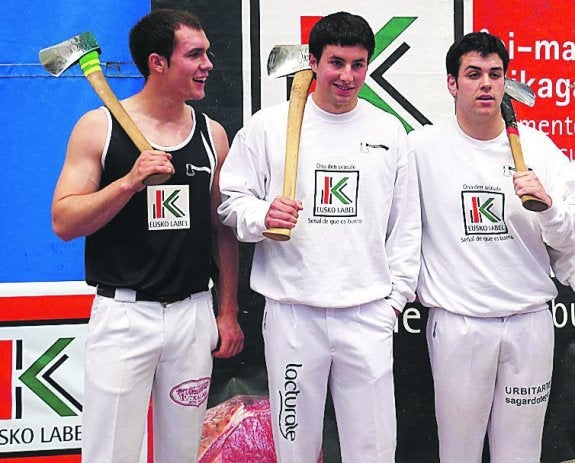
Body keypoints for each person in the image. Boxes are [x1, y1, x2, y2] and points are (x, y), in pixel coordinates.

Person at [217, 11, 420, 463]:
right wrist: (263, 214)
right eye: (336, 63)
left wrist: (393, 302)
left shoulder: (388, 131)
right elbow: (230, 202)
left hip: (366, 313)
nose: (347, 77)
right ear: (312, 61)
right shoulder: (268, 127)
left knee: (373, 449)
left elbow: (406, 225)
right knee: (295, 447)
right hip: (293, 313)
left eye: (358, 64)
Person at [51, 9, 244, 463]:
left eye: (207, 53)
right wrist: (127, 183)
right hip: (124, 316)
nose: (208, 64)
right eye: (194, 54)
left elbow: (221, 229)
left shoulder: (212, 135)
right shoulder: (99, 127)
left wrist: (228, 310)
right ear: (157, 62)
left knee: (181, 453)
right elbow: (63, 221)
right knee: (111, 454)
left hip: (192, 315)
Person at [409, 31, 575, 463]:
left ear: (505, 82)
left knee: (521, 454)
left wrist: (549, 208)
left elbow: (569, 240)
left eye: (495, 74)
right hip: (460, 325)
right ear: (452, 83)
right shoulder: (421, 148)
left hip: (529, 325)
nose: (486, 83)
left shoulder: (538, 149)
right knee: (458, 453)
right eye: (473, 74)